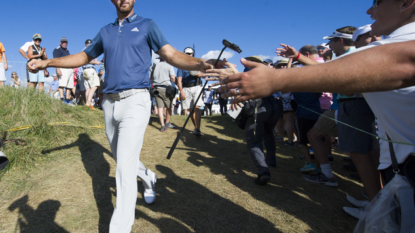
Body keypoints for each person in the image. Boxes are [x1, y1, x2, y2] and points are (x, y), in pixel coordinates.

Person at [27, 0, 215, 231]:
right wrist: (46, 61)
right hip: (109, 103)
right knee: (123, 160)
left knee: (123, 170)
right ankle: (148, 178)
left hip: (136, 100)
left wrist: (200, 64)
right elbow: (83, 57)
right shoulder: (105, 31)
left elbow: (171, 54)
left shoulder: (148, 25)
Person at [177, 47, 204, 136]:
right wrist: (181, 92)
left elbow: (203, 74)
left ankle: (197, 128)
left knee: (197, 107)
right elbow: (179, 80)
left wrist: (200, 74)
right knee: (190, 110)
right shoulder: (181, 65)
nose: (189, 55)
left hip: (196, 86)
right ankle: (196, 127)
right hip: (186, 88)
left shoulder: (197, 63)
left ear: (193, 54)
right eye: (187, 54)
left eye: (190, 53)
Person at [150, 57, 176, 131]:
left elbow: (151, 78)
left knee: (160, 108)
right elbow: (173, 78)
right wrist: (178, 84)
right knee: (170, 106)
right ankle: (167, 122)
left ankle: (162, 125)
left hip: (156, 89)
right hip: (166, 89)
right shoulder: (169, 65)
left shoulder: (155, 66)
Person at [53, 37, 74, 105]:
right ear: (60, 42)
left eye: (66, 42)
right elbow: (56, 60)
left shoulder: (67, 51)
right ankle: (62, 99)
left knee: (69, 85)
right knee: (62, 84)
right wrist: (58, 69)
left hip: (69, 69)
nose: (64, 43)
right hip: (62, 68)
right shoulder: (57, 49)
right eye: (63, 42)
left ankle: (67, 100)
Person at [81, 39, 101, 110]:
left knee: (88, 88)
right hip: (90, 70)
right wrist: (96, 62)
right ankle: (89, 103)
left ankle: (87, 103)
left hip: (85, 70)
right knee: (94, 86)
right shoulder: (88, 50)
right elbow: (87, 60)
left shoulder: (83, 50)